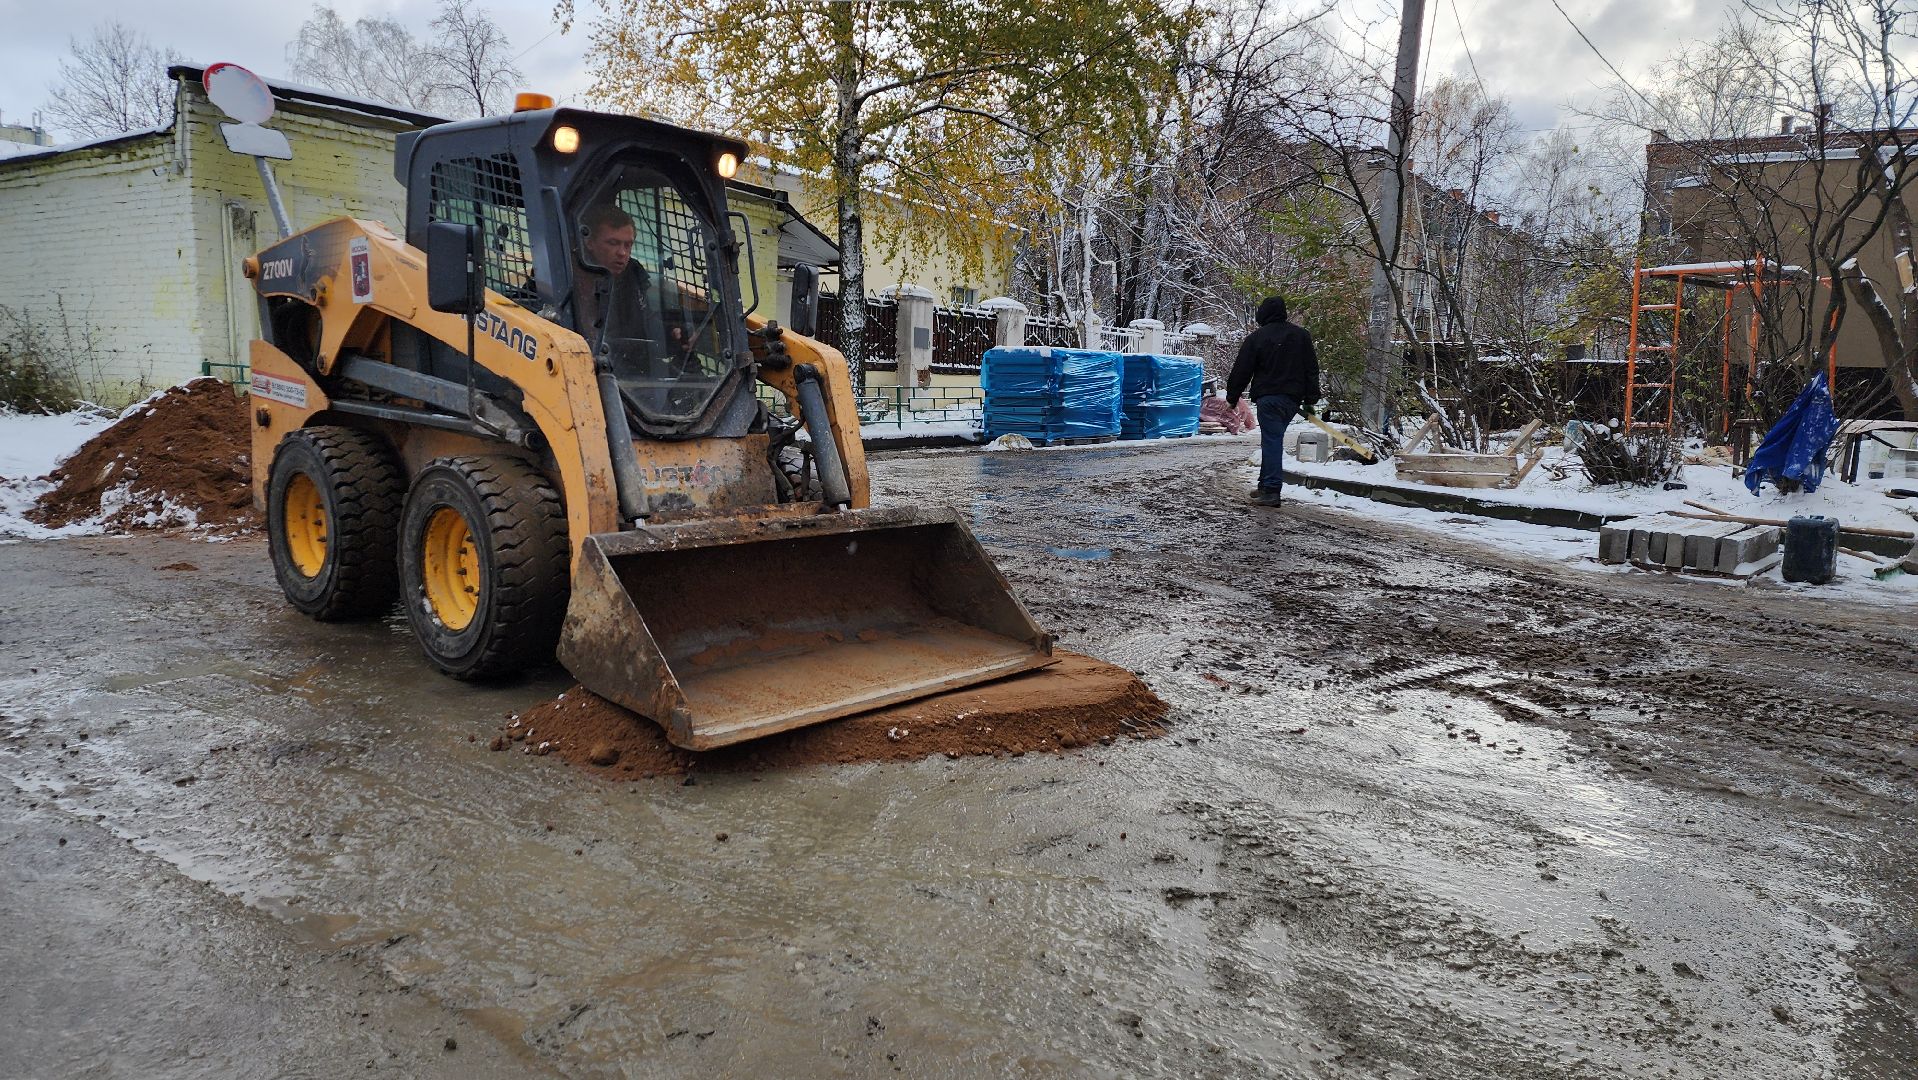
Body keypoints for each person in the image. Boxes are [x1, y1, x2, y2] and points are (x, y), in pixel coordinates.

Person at [1225, 295, 1319, 507]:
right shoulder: (1301, 336)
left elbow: (1242, 370)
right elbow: (1311, 368)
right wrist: (1311, 398)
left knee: (1272, 442)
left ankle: (1272, 490)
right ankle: (1264, 486)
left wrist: (1232, 397)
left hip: (1269, 399)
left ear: (1263, 314)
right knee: (1272, 439)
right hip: (1292, 400)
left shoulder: (1257, 338)